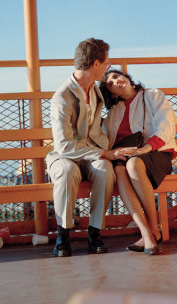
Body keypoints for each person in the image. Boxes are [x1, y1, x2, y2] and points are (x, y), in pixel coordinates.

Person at [46, 39, 124, 257]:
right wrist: (104, 153)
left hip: (91, 152)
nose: (108, 68)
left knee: (105, 169)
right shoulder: (61, 98)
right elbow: (64, 144)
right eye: (107, 64)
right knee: (67, 171)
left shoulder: (95, 90)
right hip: (66, 155)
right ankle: (63, 235)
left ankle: (94, 232)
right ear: (96, 63)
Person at [100, 69, 177, 255]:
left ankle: (153, 229)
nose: (116, 81)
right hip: (127, 159)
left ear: (126, 77)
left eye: (117, 76)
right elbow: (104, 137)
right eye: (110, 83)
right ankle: (146, 233)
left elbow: (166, 124)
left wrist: (146, 148)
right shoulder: (113, 114)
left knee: (133, 164)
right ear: (112, 94)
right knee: (120, 169)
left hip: (157, 153)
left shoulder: (152, 95)